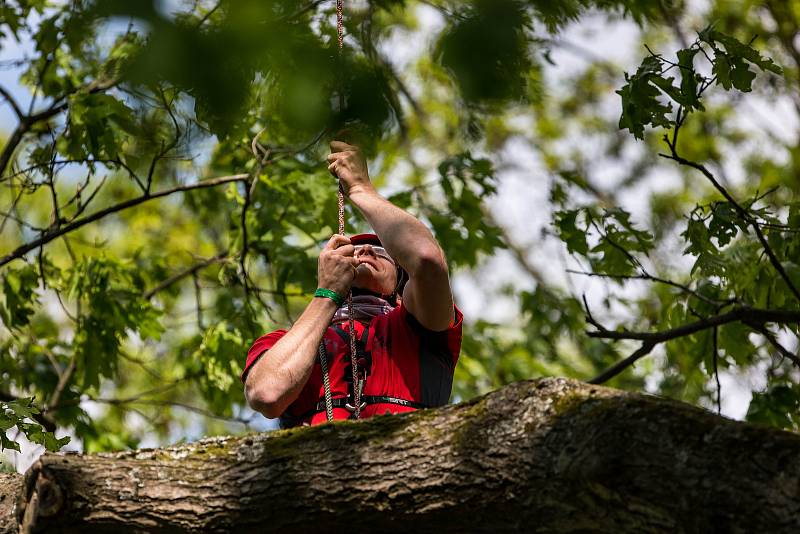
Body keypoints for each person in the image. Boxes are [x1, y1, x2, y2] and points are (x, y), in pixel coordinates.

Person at [241, 141, 462, 427]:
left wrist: (359, 189)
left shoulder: (420, 330)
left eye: (380, 251)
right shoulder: (284, 344)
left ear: (400, 286)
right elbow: (266, 393)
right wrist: (327, 293)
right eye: (354, 252)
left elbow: (427, 260)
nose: (366, 252)